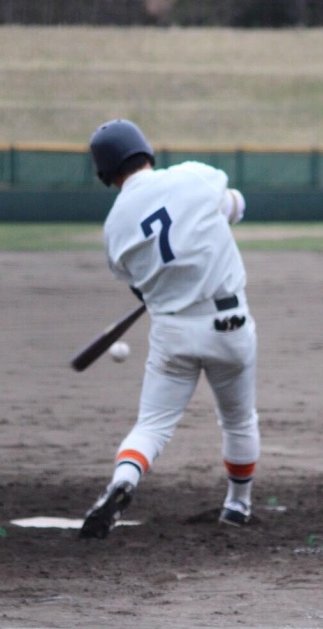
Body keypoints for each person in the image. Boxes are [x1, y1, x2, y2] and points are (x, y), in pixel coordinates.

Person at [79, 119, 259, 539]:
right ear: (146, 151)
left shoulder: (113, 227)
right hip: (229, 325)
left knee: (152, 425)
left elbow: (138, 285)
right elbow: (236, 204)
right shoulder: (193, 176)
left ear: (106, 174)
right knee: (237, 420)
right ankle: (237, 505)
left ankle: (124, 480)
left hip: (172, 334)